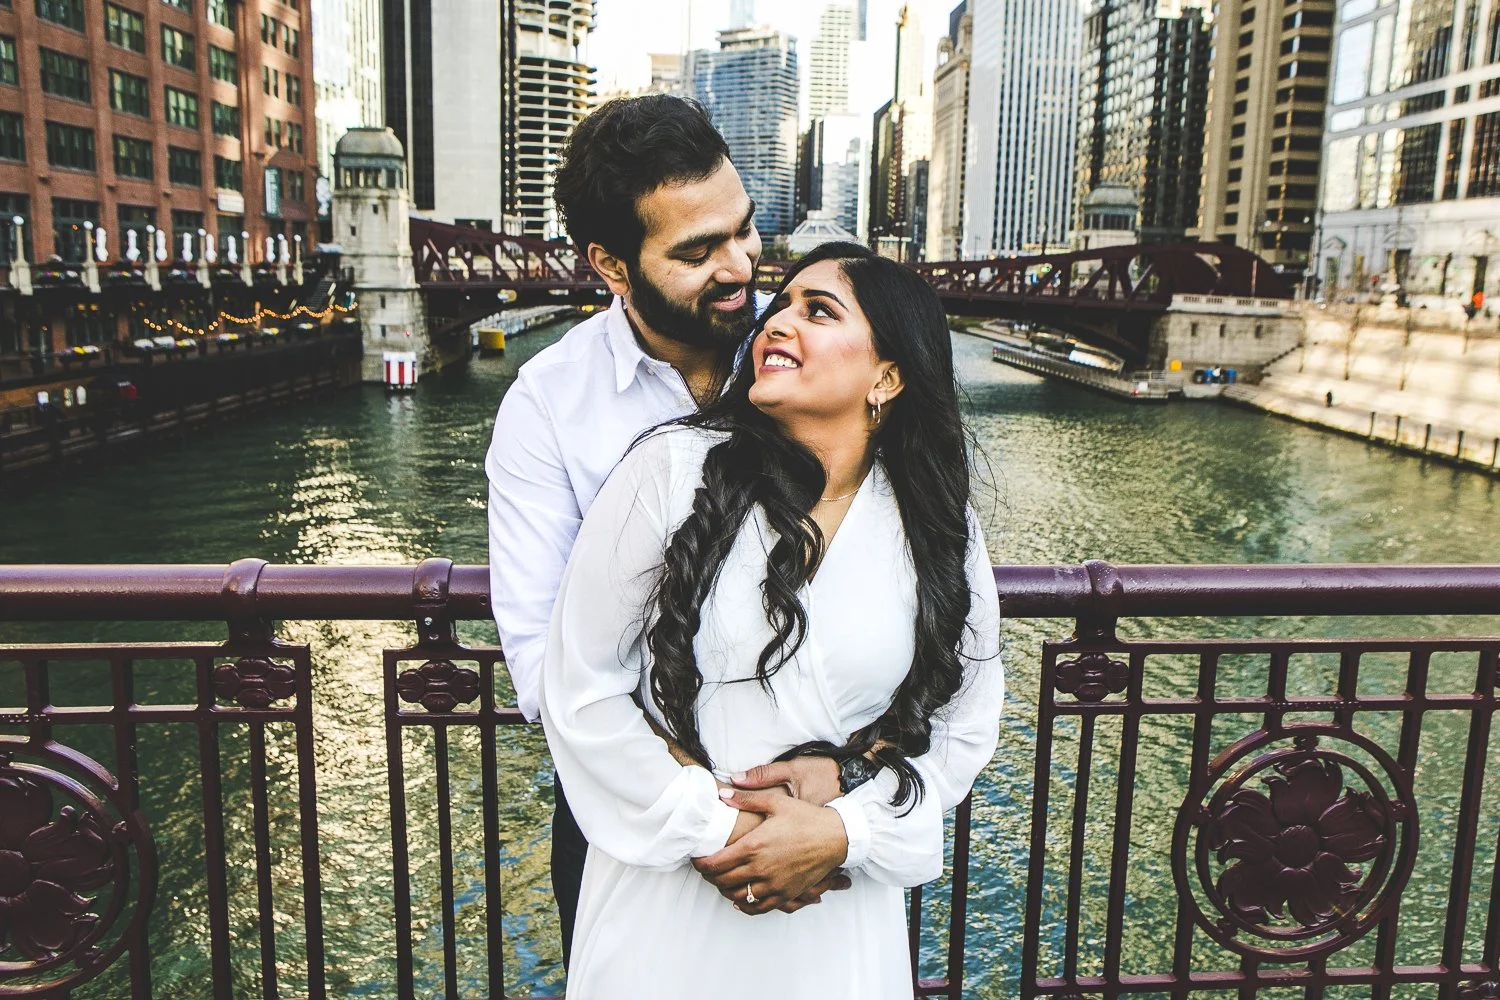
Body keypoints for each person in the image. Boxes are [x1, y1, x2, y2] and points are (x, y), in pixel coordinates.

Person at [539, 241, 1005, 998]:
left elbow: (965, 721)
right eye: (779, 304)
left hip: (837, 904)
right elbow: (580, 687)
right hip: (675, 896)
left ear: (888, 375)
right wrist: (719, 830)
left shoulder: (937, 525)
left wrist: (846, 825)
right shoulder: (668, 472)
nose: (775, 323)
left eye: (817, 311)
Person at [485, 94, 842, 964]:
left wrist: (847, 783)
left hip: (819, 815)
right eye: (697, 250)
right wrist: (699, 806)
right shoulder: (547, 405)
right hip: (630, 815)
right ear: (611, 264)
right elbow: (541, 661)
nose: (741, 266)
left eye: (745, 230)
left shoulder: (822, 352)